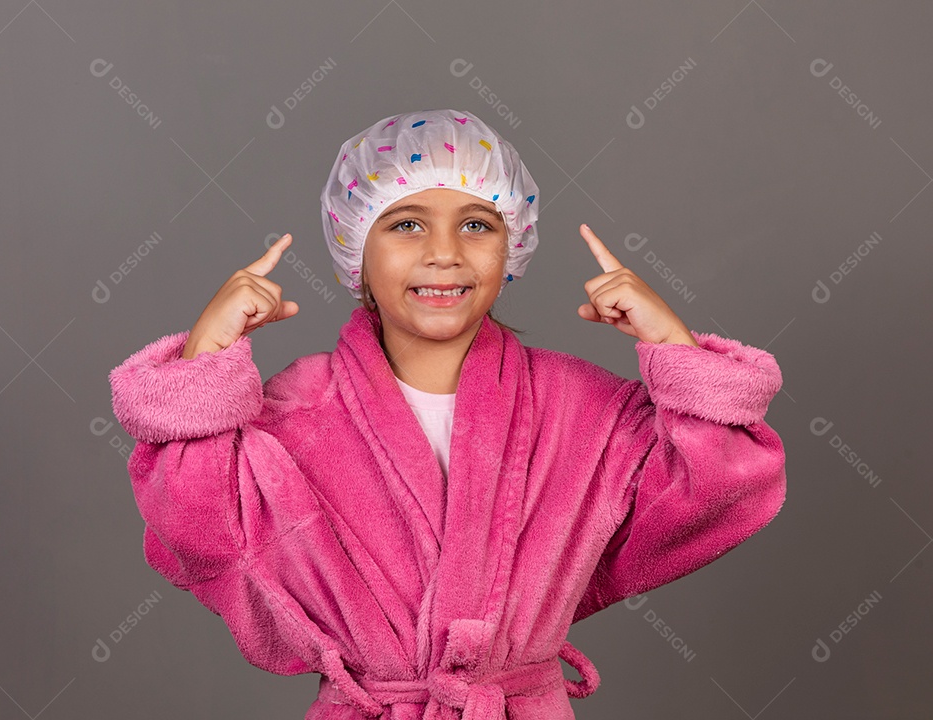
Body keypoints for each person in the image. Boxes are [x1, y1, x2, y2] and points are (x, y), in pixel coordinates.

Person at [108, 109, 787, 719]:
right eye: (406, 224)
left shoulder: (578, 408)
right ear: (354, 250)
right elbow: (196, 527)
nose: (444, 253)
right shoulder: (295, 412)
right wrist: (204, 361)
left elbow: (718, 489)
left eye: (476, 224)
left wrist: (672, 348)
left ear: (510, 247)